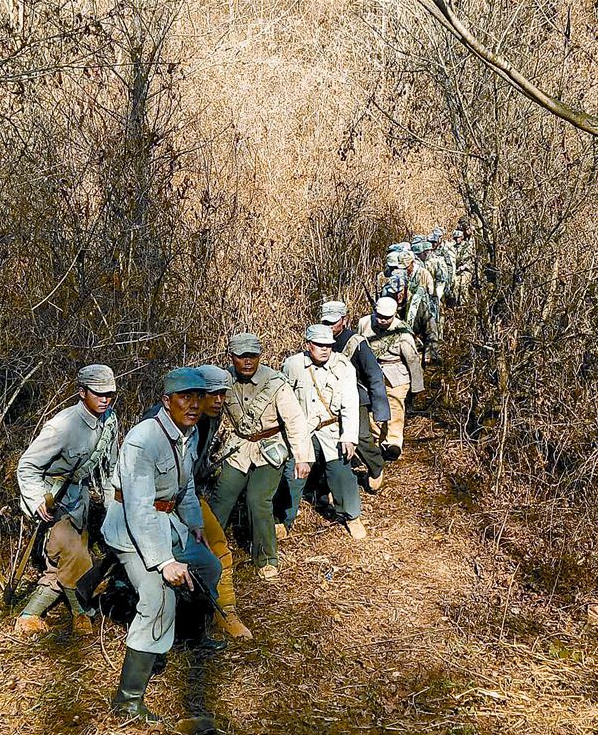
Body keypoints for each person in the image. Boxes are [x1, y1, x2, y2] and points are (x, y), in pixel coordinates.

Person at [102, 367, 222, 722]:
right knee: (158, 598)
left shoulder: (189, 433)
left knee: (208, 566)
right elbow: (138, 508)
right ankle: (128, 701)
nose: (194, 404)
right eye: (185, 397)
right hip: (130, 529)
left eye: (199, 397)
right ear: (166, 401)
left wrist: (194, 523)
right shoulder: (143, 440)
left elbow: (185, 486)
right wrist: (164, 562)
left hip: (166, 522)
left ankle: (191, 635)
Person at [142, 365, 252, 639]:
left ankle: (224, 612)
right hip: (154, 505)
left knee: (216, 547)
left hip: (186, 496)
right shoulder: (162, 424)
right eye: (210, 395)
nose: (218, 401)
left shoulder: (205, 419)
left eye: (222, 394)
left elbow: (190, 473)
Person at [15, 364, 118, 637]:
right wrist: (37, 500)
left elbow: (110, 469)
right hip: (52, 499)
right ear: (82, 392)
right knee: (75, 555)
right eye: (98, 393)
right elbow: (27, 465)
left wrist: (112, 510)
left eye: (110, 394)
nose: (105, 399)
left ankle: (28, 616)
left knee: (61, 566)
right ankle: (81, 612)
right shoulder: (62, 426)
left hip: (78, 500)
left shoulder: (109, 421)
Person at [209, 334, 311, 582]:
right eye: (241, 356)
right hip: (239, 447)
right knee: (222, 496)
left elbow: (295, 420)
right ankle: (206, 553)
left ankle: (266, 559)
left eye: (252, 356)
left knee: (258, 500)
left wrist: (302, 457)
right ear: (231, 357)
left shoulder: (275, 383)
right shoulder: (224, 381)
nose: (247, 362)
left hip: (270, 449)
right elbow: (209, 413)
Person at [280, 324, 365, 539]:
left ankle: (352, 516)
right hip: (303, 430)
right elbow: (283, 400)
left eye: (328, 345)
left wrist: (349, 437)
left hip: (331, 428)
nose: (325, 349)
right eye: (319, 345)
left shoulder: (343, 366)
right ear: (308, 344)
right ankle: (282, 519)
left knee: (341, 472)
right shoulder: (293, 365)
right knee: (293, 474)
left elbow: (350, 403)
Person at [320, 300, 390, 492]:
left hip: (356, 397)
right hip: (327, 398)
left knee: (361, 437)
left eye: (333, 322)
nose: (329, 326)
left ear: (345, 320)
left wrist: (380, 409)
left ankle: (376, 466)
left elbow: (374, 375)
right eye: (325, 322)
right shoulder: (318, 341)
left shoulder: (356, 343)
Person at [358, 298, 424, 459]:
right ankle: (378, 440)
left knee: (395, 407)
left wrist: (417, 386)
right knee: (372, 408)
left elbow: (412, 359)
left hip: (396, 374)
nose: (382, 320)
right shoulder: (364, 323)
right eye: (379, 316)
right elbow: (358, 346)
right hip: (371, 371)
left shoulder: (403, 331)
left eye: (386, 317)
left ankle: (393, 443)